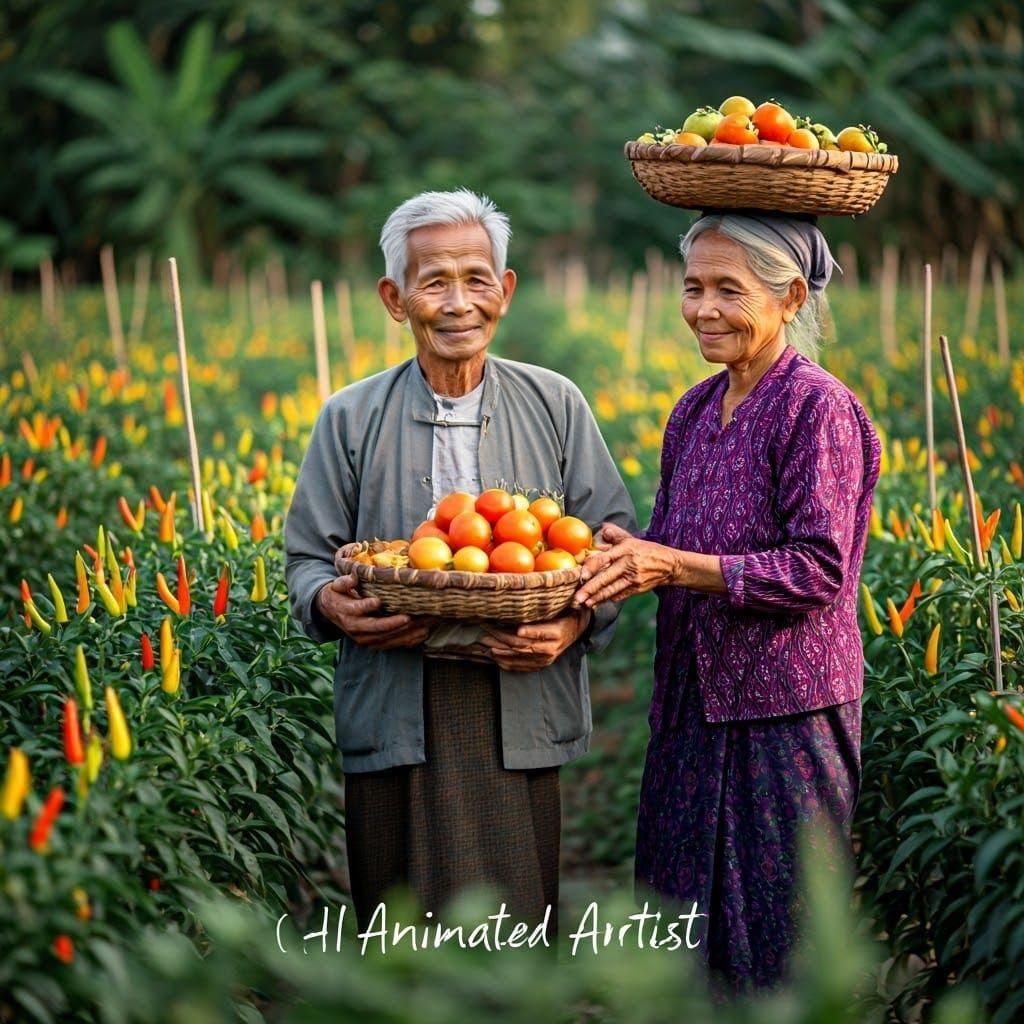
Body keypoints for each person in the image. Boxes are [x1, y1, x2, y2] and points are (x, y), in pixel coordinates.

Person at [285, 188, 635, 939]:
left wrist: (571, 626)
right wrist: (328, 604)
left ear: (505, 291)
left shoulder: (556, 403)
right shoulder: (349, 417)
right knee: (399, 911)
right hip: (394, 698)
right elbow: (308, 559)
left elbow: (614, 546)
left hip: (519, 696)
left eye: (477, 278)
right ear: (394, 297)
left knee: (512, 914)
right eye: (432, 281)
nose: (457, 302)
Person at [573, 212, 881, 991]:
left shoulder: (818, 408)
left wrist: (670, 564)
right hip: (691, 707)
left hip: (784, 713)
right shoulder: (693, 410)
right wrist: (609, 553)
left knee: (775, 940)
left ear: (791, 298)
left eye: (728, 290)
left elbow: (817, 569)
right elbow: (669, 540)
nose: (704, 309)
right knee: (681, 934)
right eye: (693, 287)